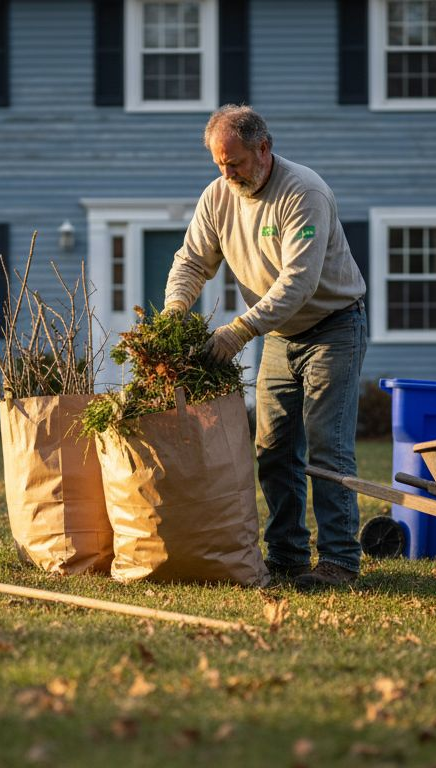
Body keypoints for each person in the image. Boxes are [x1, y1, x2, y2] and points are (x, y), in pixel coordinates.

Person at [162, 104, 368, 590]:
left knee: (327, 449)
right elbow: (191, 261)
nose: (227, 173)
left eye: (234, 162)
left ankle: (339, 562)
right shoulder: (218, 197)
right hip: (278, 334)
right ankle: (288, 557)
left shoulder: (304, 192)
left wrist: (236, 332)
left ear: (263, 149)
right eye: (219, 164)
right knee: (274, 448)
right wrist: (174, 311)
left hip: (333, 326)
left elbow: (297, 284)